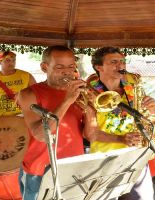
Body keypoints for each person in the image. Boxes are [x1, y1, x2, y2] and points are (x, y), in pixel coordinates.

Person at [17, 45, 96, 200]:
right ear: (44, 67)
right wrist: (67, 101)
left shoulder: (80, 93)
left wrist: (91, 109)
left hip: (73, 169)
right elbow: (40, 135)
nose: (67, 72)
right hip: (39, 171)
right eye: (59, 67)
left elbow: (90, 135)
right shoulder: (28, 94)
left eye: (71, 67)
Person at [87, 46, 155, 200]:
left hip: (136, 158)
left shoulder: (132, 89)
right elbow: (90, 134)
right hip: (105, 162)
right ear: (99, 67)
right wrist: (121, 139)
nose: (120, 65)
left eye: (122, 61)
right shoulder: (90, 94)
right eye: (113, 62)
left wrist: (151, 110)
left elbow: (147, 119)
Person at [0, 50, 36, 117]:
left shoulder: (26, 76)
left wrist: (25, 96)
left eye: (13, 60)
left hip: (22, 116)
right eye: (8, 60)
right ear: (0, 62)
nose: (12, 63)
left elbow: (37, 95)